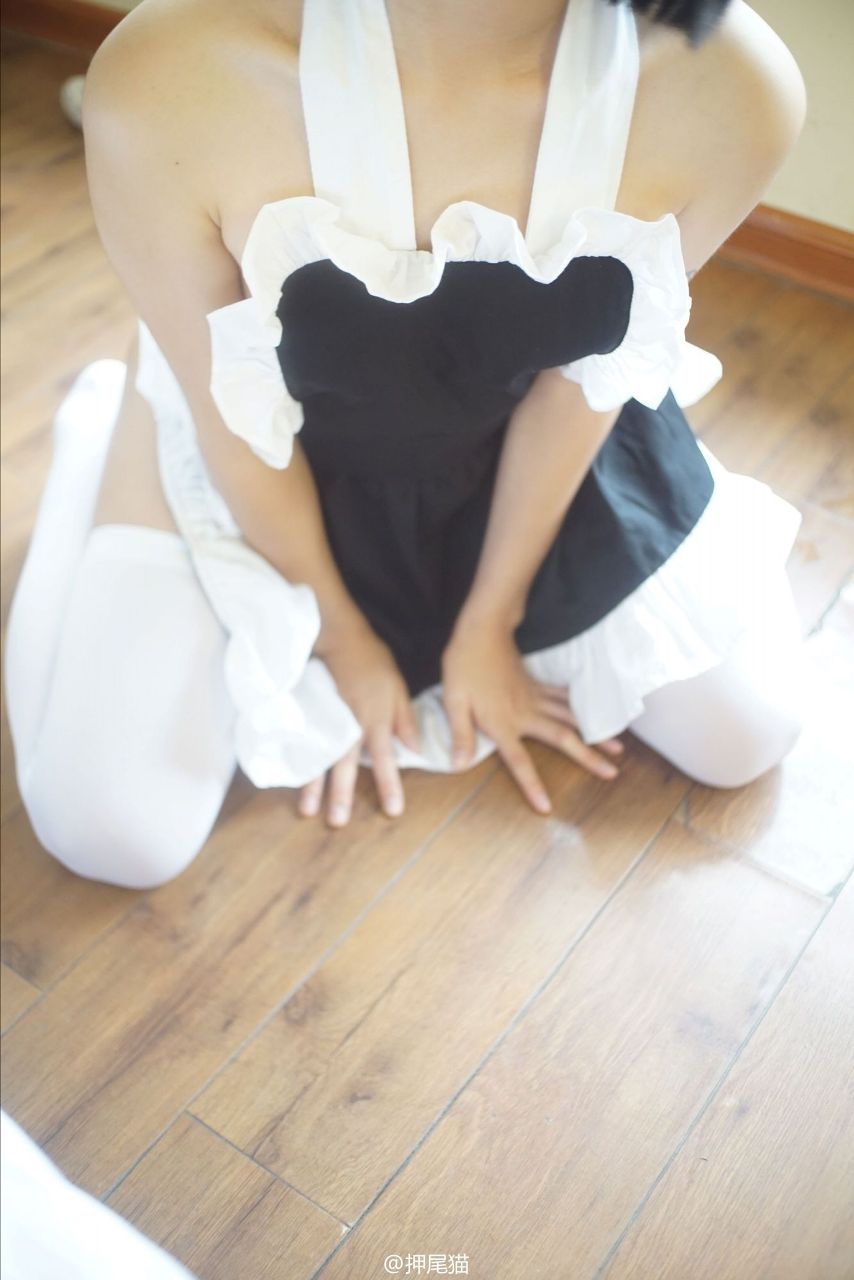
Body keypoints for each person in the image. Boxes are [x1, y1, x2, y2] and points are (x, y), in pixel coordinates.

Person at [3, 0, 808, 889]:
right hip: (260, 437)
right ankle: (102, 421)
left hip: (519, 440)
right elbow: (229, 413)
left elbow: (581, 384)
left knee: (749, 733)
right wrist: (341, 638)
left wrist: (491, 619)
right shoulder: (171, 70)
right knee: (111, 831)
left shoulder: (735, 89)